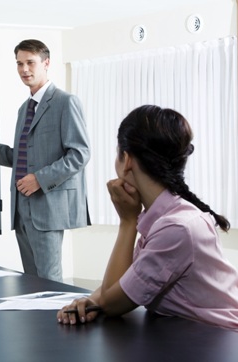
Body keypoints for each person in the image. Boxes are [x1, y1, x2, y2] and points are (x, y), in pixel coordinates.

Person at [57, 105, 238, 330]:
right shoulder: (165, 217)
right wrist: (92, 300)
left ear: (127, 159)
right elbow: (124, 283)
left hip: (221, 341)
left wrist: (127, 222)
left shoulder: (176, 229)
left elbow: (113, 304)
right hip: (193, 335)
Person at [0, 39, 90, 282]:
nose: (24, 69)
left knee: (49, 280)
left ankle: (57, 321)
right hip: (21, 208)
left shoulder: (66, 102)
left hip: (47, 206)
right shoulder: (25, 108)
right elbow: (23, 157)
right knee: (32, 282)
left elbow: (79, 154)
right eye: (19, 64)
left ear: (46, 63)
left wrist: (40, 180)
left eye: (30, 63)